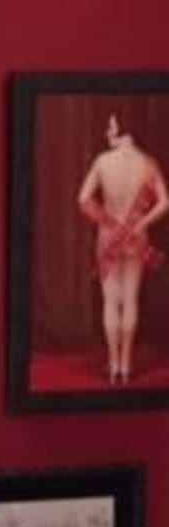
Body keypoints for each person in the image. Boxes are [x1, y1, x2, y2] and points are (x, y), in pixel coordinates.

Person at [76, 112, 169, 383]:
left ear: (122, 130)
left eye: (111, 126)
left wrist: (110, 223)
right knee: (130, 299)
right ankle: (126, 367)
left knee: (110, 301)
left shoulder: (102, 162)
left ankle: (114, 364)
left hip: (108, 236)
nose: (108, 132)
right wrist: (140, 224)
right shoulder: (148, 164)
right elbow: (165, 202)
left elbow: (83, 200)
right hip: (137, 238)